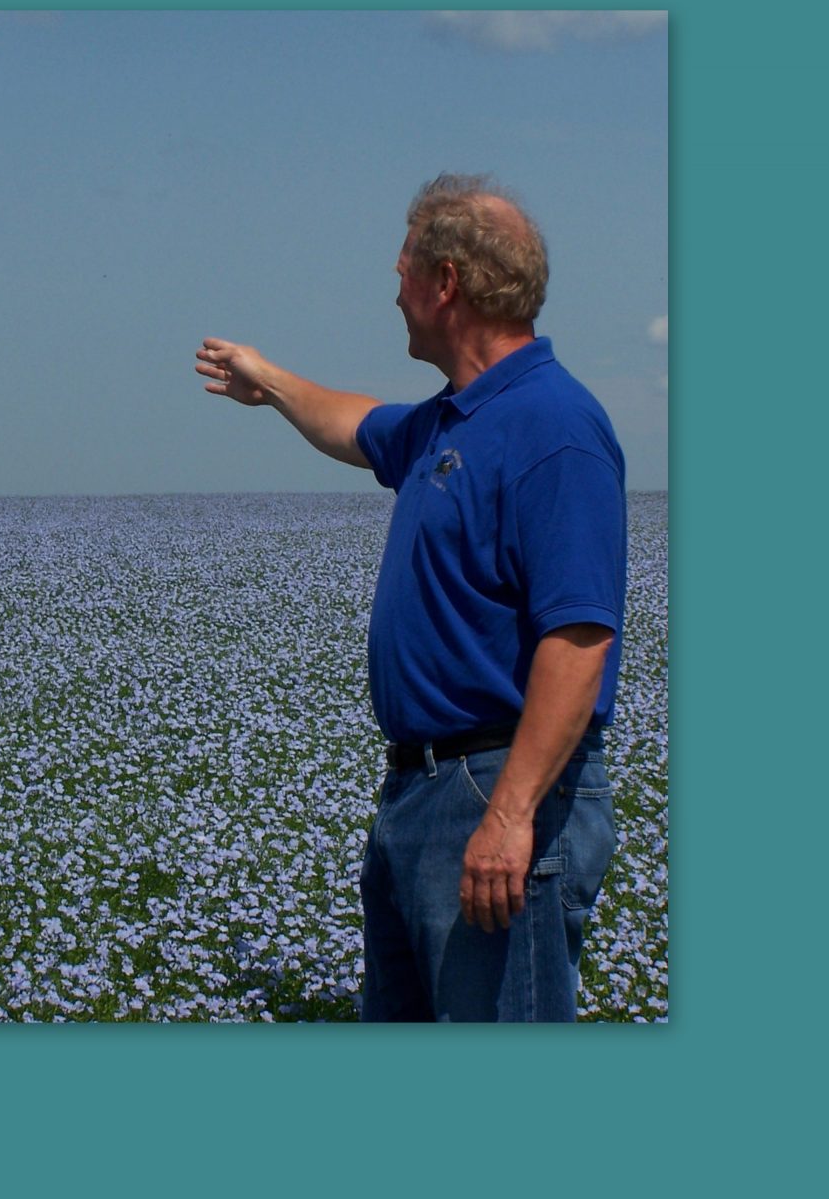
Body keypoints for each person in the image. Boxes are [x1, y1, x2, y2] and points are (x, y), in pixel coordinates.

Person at [195, 174, 625, 1021]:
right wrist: (267, 380)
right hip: (421, 795)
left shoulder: (555, 426)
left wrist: (507, 818)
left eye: (402, 270)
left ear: (446, 282)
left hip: (492, 791)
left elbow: (578, 640)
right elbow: (354, 423)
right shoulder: (450, 422)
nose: (393, 290)